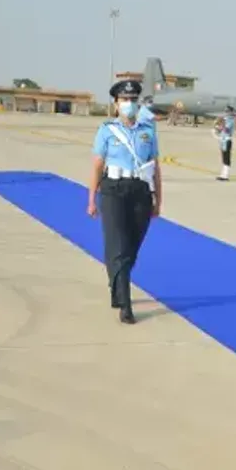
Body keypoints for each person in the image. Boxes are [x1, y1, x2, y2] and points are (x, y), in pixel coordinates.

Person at [87, 80, 161, 325]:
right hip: (113, 191)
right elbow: (98, 165)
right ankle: (126, 306)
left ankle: (115, 283)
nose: (129, 104)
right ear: (116, 104)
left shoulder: (147, 131)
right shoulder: (107, 130)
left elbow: (155, 167)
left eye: (132, 100)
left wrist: (157, 199)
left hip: (140, 191)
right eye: (124, 100)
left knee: (131, 249)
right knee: (118, 246)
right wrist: (92, 199)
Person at [215, 106, 236, 181]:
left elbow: (227, 130)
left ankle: (226, 175)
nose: (226, 113)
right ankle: (223, 174)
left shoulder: (231, 120)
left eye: (227, 111)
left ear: (231, 112)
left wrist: (222, 123)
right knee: (223, 157)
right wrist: (217, 127)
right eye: (225, 111)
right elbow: (220, 130)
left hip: (227, 140)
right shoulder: (226, 119)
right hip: (223, 140)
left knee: (226, 157)